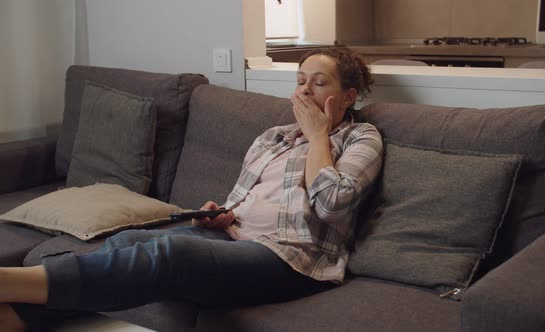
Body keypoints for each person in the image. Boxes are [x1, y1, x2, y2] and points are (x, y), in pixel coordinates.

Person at [0, 47, 384, 331]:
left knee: (170, 252)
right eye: (300, 81)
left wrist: (319, 135)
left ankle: (11, 282)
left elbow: (333, 205)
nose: (304, 91)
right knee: (130, 240)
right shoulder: (275, 137)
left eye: (319, 84)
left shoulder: (359, 138)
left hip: (294, 259)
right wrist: (224, 213)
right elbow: (246, 198)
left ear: (348, 97)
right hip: (235, 237)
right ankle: (18, 317)